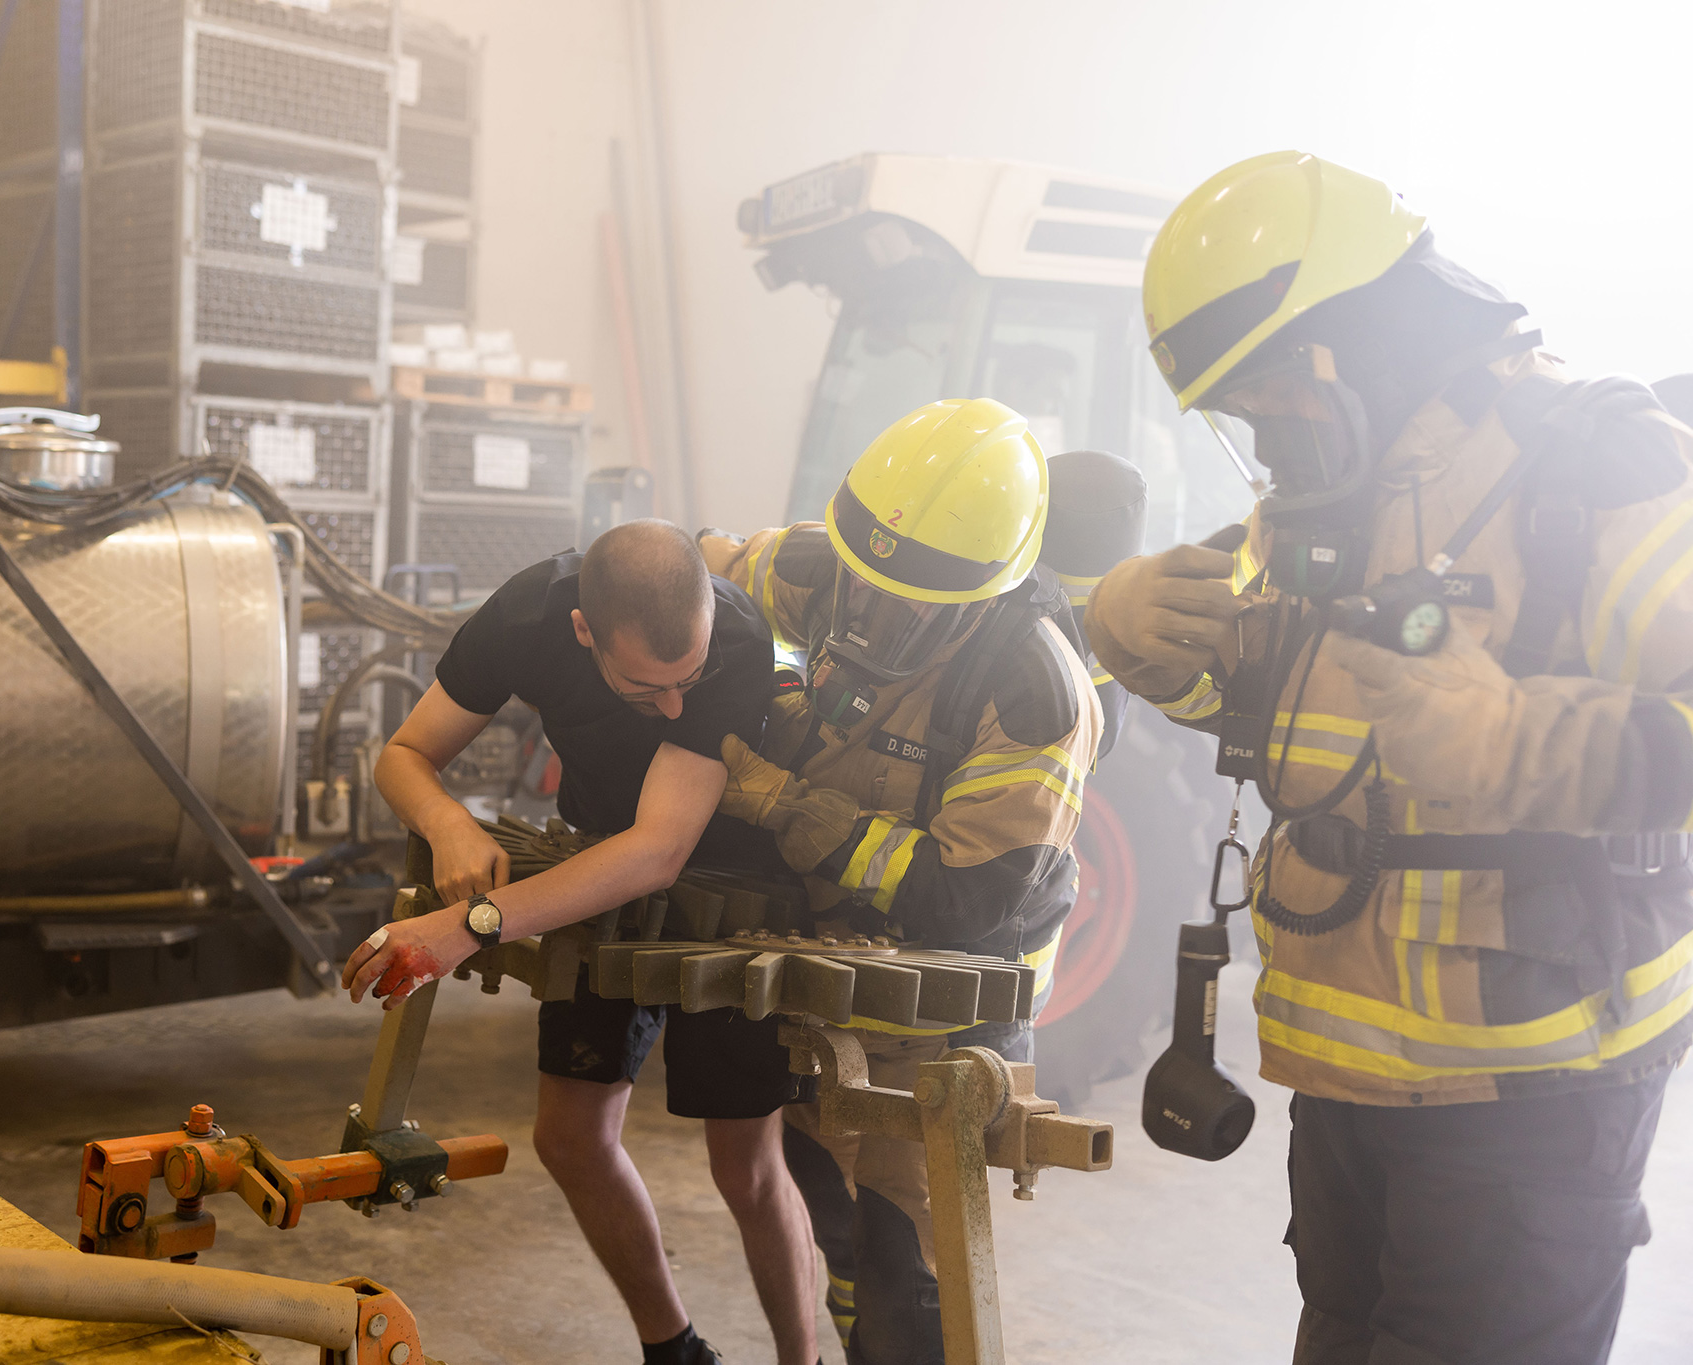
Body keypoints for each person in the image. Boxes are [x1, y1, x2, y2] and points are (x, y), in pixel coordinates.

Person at [1086, 150, 1693, 1365]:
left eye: (1270, 396)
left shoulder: (1601, 470)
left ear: (1351, 344)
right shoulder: (1323, 492)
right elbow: (1278, 711)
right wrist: (1141, 642)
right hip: (1344, 1074)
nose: (1261, 437)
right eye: (1237, 410)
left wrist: (1523, 743)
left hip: (1531, 1090)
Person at [698, 399, 1128, 1365]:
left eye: (910, 604)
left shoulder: (1033, 693)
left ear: (982, 595)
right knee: (830, 1231)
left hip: (945, 1011)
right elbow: (701, 570)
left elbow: (965, 899)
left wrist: (785, 805)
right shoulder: (818, 566)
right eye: (865, 586)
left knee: (909, 1288)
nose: (873, 614)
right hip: (815, 982)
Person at [344, 519, 820, 1365]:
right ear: (583, 632)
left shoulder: (737, 639)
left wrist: (469, 924)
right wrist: (447, 822)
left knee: (745, 1168)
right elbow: (405, 754)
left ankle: (802, 1361)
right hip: (597, 865)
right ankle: (674, 1350)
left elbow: (660, 849)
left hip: (736, 891)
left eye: (689, 680)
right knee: (570, 1137)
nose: (675, 704)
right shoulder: (528, 616)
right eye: (646, 687)